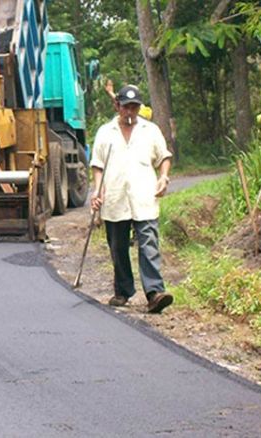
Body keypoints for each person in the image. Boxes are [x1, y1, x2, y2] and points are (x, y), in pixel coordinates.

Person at [90, 85, 174, 314]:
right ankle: (123, 291)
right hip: (115, 198)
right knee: (118, 247)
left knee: (148, 244)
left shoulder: (150, 130)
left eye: (134, 107)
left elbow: (164, 157)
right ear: (117, 106)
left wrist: (164, 177)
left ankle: (154, 293)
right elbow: (97, 165)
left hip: (144, 196)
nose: (130, 112)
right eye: (126, 107)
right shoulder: (105, 133)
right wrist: (97, 191)